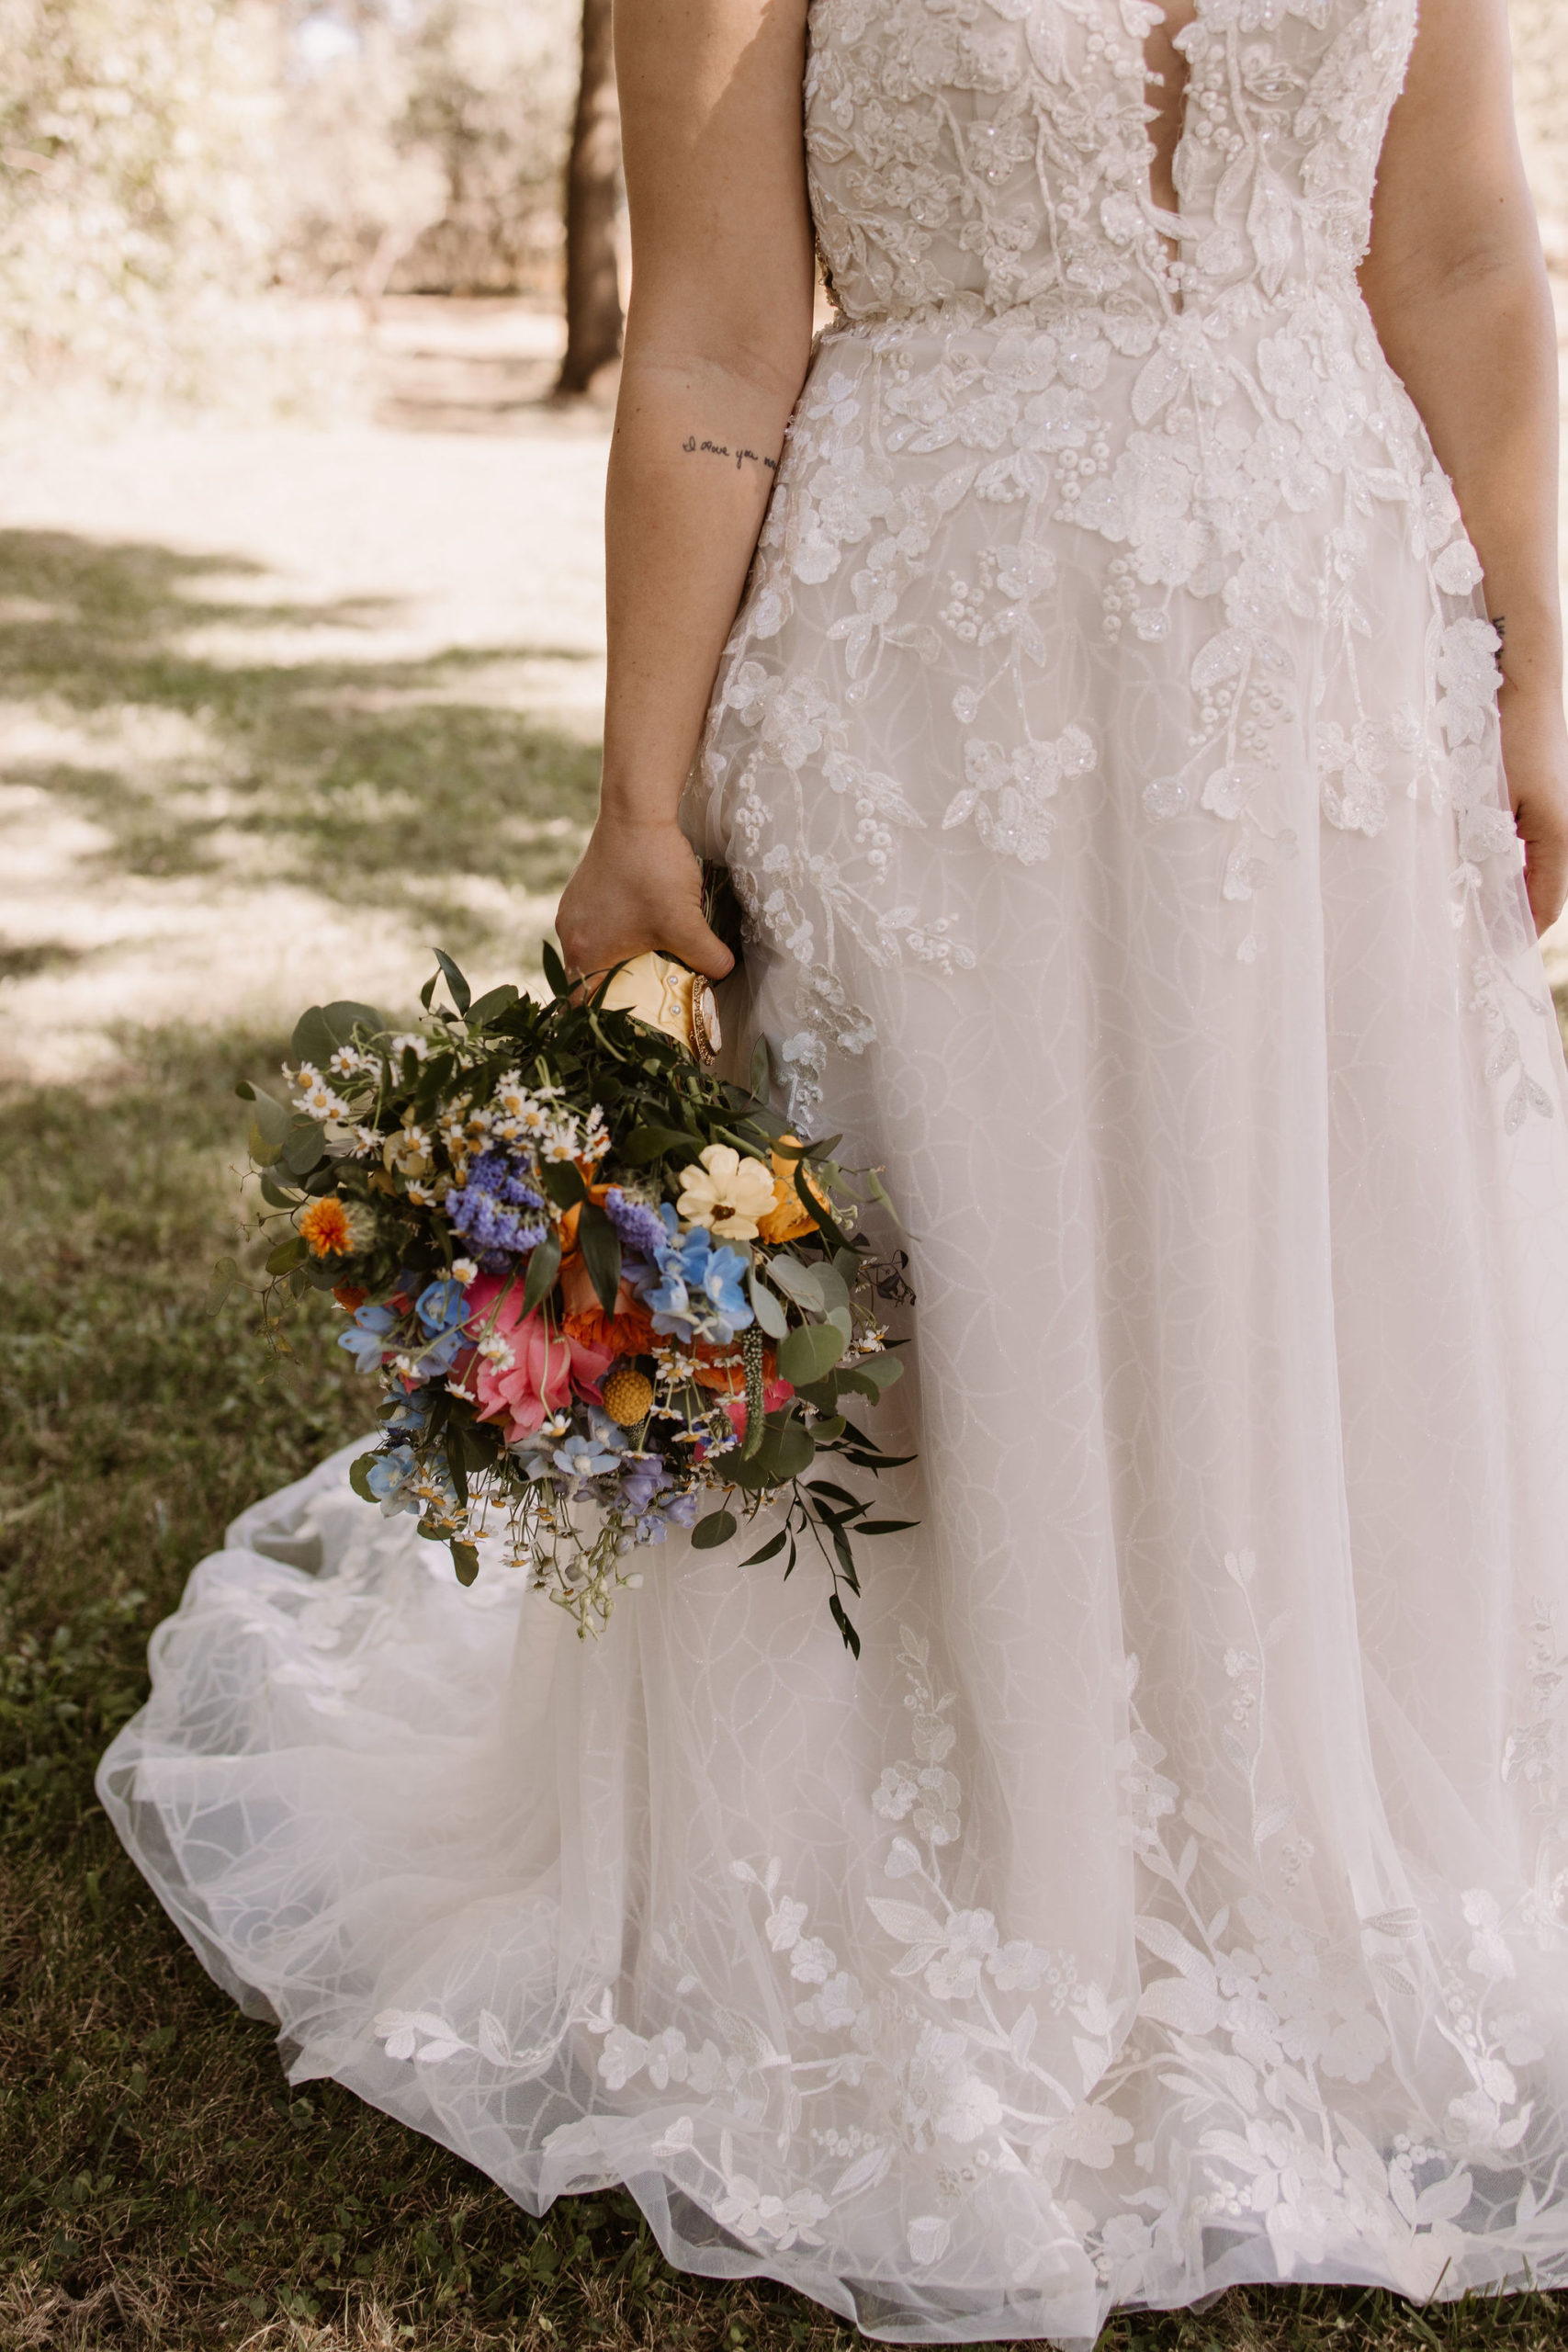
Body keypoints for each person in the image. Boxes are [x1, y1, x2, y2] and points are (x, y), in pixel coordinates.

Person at [100, 0, 1568, 2339]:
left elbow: (1467, 246)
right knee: (949, 1285)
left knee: (1306, 1252)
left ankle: (1315, 1839)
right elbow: (707, 330)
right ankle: (971, 1876)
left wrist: (1528, 663)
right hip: (935, 683)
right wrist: (636, 804)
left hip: (1317, 668)